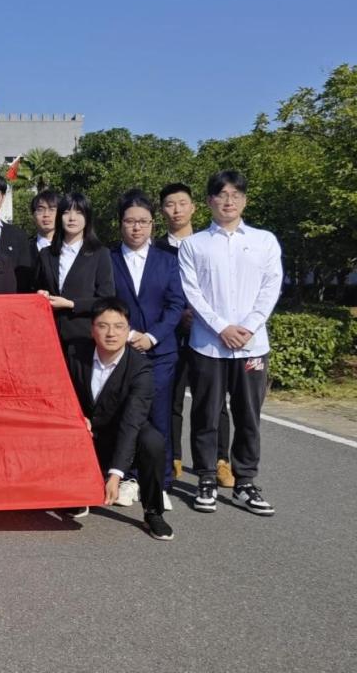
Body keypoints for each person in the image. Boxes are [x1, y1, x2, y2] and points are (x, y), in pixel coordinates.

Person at [179, 170, 282, 515]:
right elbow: (192, 292)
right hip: (208, 344)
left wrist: (248, 327)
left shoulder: (265, 241)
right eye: (222, 195)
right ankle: (206, 478)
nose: (229, 201)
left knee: (248, 416)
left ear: (245, 201)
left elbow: (271, 287)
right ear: (209, 201)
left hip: (253, 346)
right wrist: (222, 327)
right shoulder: (194, 245)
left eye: (236, 195)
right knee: (206, 413)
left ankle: (245, 482)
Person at [66, 298, 173, 541]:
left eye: (119, 326)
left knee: (152, 441)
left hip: (120, 432)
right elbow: (60, 393)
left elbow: (132, 421)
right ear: (92, 329)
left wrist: (116, 475)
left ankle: (153, 512)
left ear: (128, 330)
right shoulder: (74, 353)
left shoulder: (141, 368)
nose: (111, 333)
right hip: (83, 430)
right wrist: (76, 417)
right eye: (103, 326)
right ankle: (77, 494)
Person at [110, 189, 185, 508]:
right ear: (121, 223)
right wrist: (127, 334)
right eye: (130, 221)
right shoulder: (108, 258)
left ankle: (161, 481)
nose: (136, 227)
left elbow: (175, 305)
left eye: (143, 221)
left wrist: (152, 336)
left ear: (153, 223)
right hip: (122, 351)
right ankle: (129, 477)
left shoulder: (168, 261)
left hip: (160, 352)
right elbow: (105, 301)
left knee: (159, 416)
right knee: (127, 415)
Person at [156, 182, 233, 485]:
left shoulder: (208, 244)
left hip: (207, 331)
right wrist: (176, 316)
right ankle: (173, 457)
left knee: (213, 399)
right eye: (169, 204)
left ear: (194, 207)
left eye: (182, 203)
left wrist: (202, 316)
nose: (176, 210)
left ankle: (221, 460)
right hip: (170, 333)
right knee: (171, 398)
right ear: (162, 210)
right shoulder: (155, 248)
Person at [36, 192, 115, 359]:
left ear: (87, 218)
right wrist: (41, 294)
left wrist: (71, 304)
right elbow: (37, 287)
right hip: (50, 336)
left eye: (79, 212)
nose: (72, 218)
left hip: (84, 338)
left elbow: (106, 299)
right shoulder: (46, 254)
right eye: (66, 212)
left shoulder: (100, 254)